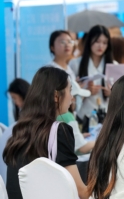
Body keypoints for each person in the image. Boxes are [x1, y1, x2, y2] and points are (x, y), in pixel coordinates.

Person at [3, 67, 87, 199]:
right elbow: (81, 191)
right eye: (69, 91)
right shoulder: (59, 131)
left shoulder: (19, 131)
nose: (72, 98)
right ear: (55, 96)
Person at [69, 25, 113, 120]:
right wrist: (84, 90)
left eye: (105, 43)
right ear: (89, 41)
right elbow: (69, 92)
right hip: (83, 115)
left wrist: (112, 93)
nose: (101, 46)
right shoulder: (75, 64)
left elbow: (122, 95)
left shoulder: (113, 65)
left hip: (107, 115)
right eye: (97, 41)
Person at [57, 80, 95, 154]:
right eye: (80, 97)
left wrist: (80, 137)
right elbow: (82, 148)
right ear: (72, 98)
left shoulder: (59, 114)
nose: (81, 100)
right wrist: (101, 141)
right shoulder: (67, 116)